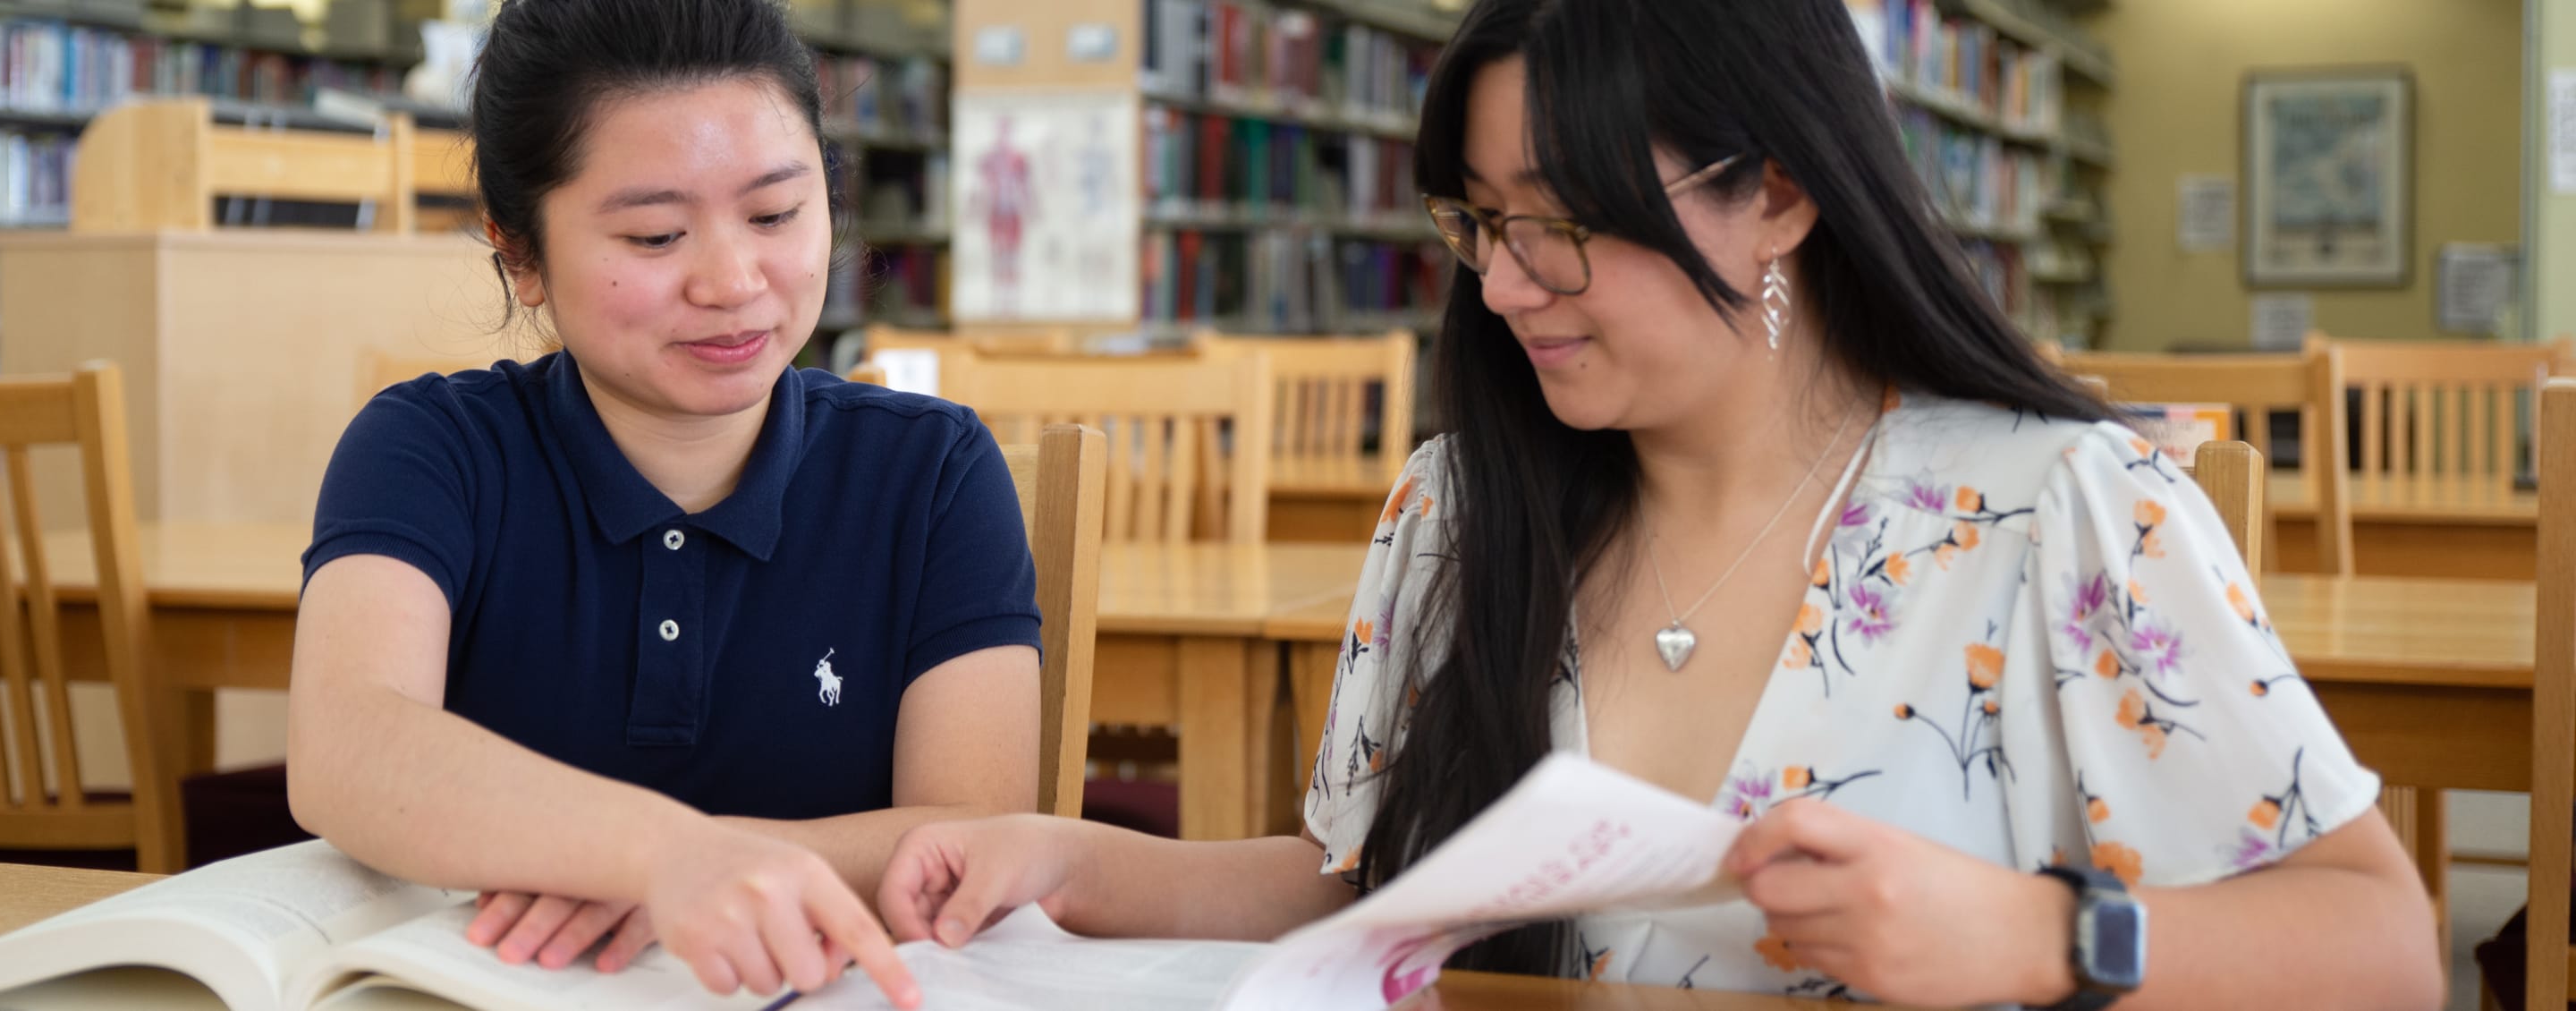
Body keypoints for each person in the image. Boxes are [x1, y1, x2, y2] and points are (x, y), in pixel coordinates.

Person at [875, 1, 2442, 1007]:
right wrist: (1072, 862)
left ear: (1777, 195)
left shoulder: (2064, 515)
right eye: (1478, 222)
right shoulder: (1456, 513)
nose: (1499, 285)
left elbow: (2383, 946)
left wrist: (2040, 942)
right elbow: (1368, 883)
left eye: (1558, 223)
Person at [287, 1, 1049, 1006]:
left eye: (775, 215)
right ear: (518, 253)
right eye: (654, 235)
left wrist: (685, 868)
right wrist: (656, 855)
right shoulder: (431, 448)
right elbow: (348, 743)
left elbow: (966, 845)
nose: (733, 281)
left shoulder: (933, 472)